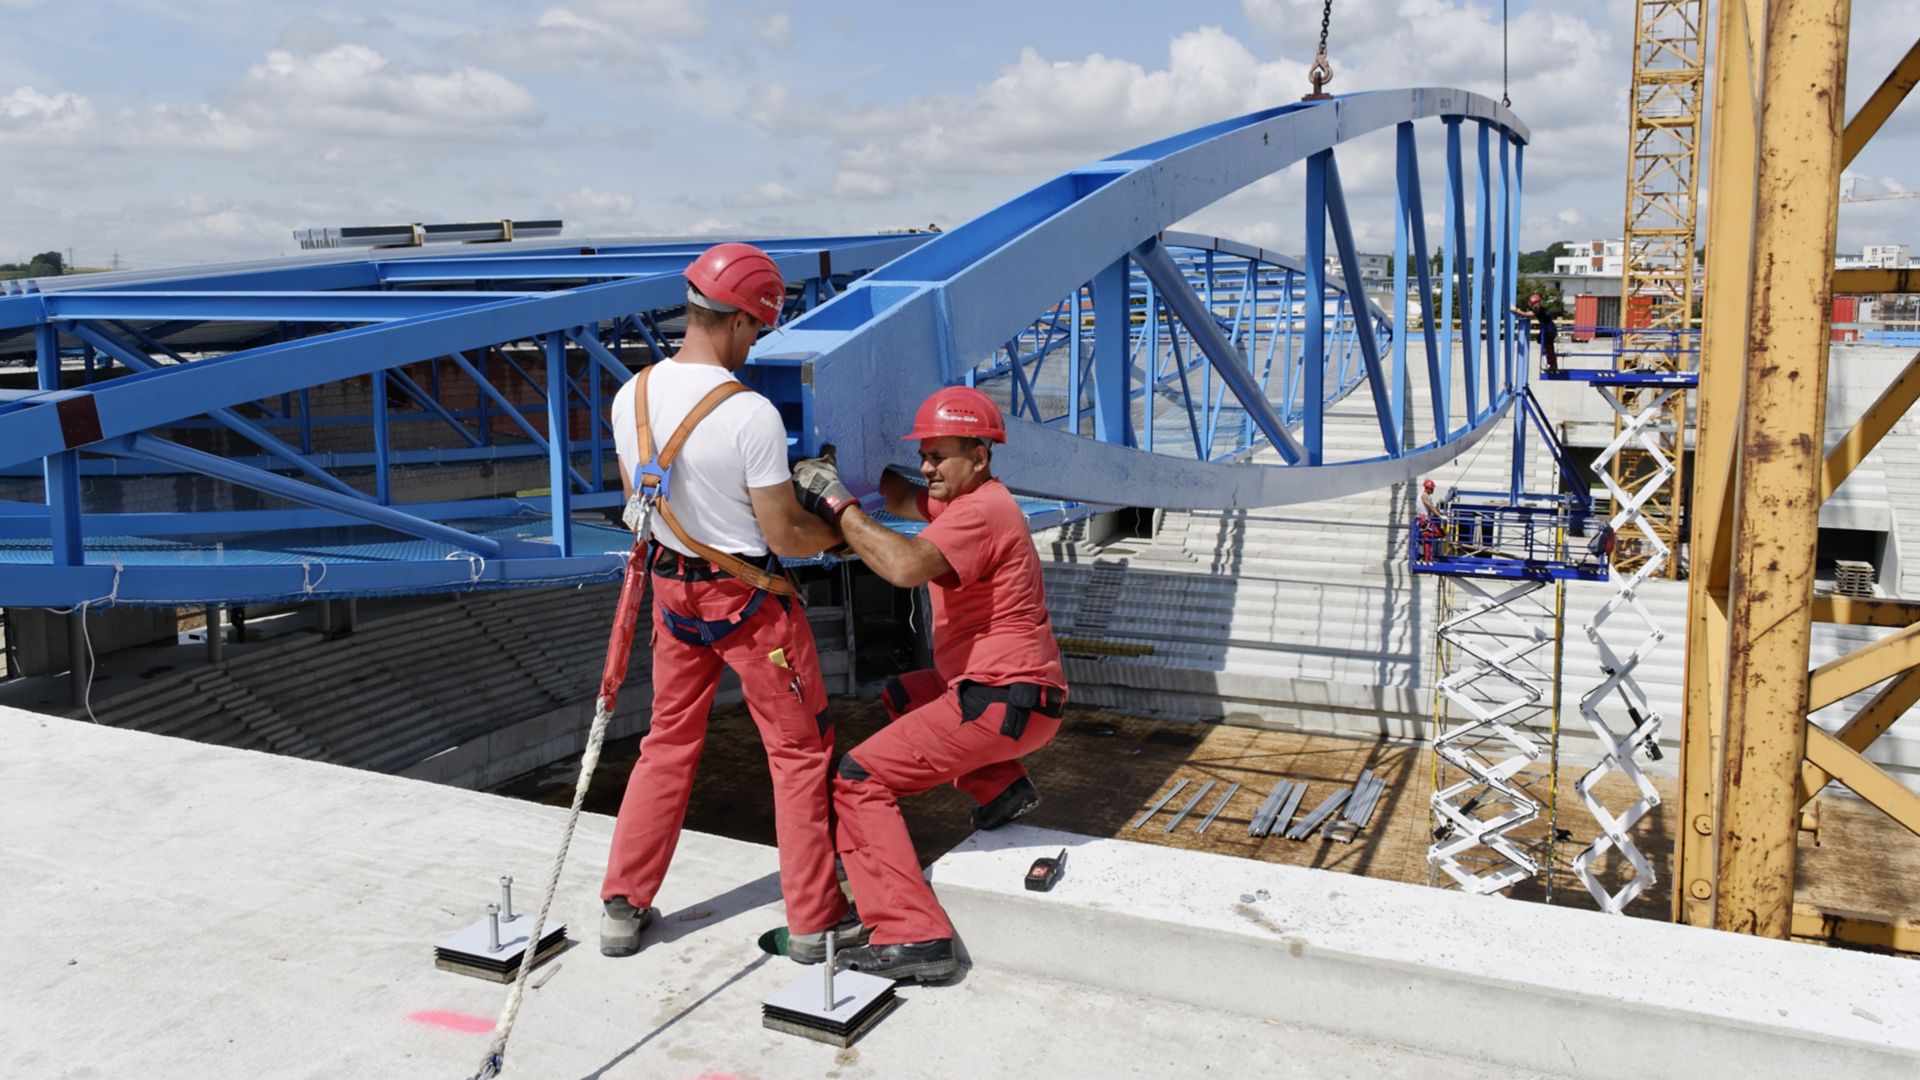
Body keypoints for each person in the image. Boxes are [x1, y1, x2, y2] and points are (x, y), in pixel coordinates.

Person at [598, 242, 862, 966]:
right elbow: (783, 534)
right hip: (748, 603)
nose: (756, 344)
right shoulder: (749, 416)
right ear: (741, 320)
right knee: (800, 755)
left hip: (671, 592)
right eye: (757, 329)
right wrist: (837, 532)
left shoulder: (633, 395)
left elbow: (640, 499)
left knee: (668, 744)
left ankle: (623, 903)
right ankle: (815, 921)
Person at [787, 387, 1067, 983]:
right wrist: (851, 470)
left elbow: (905, 566)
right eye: (925, 454)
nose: (927, 467)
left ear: (981, 456)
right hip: (1018, 700)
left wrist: (836, 504)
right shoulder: (972, 498)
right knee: (902, 693)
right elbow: (898, 493)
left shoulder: (981, 511)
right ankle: (1000, 788)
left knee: (858, 778)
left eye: (939, 455)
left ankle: (914, 936)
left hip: (997, 700)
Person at [1515, 293, 1559, 374]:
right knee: (1548, 347)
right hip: (1548, 330)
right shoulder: (1540, 309)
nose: (1534, 306)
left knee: (1548, 347)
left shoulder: (1539, 309)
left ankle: (1553, 365)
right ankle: (1553, 365)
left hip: (1549, 331)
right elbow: (1530, 314)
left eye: (1534, 304)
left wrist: (1516, 311)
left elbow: (1528, 314)